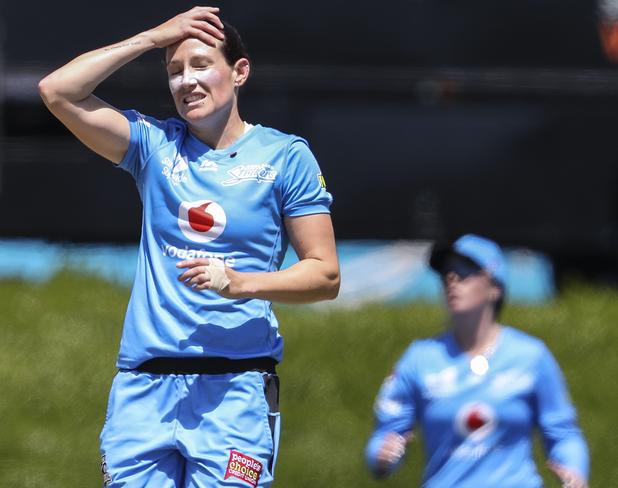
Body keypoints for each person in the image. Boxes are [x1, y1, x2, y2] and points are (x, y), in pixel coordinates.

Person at [38, 6, 339, 487]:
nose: (186, 82)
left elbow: (325, 275)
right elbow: (57, 91)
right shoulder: (154, 145)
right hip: (143, 387)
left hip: (234, 389)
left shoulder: (285, 156)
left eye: (201, 65)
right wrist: (152, 38)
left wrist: (241, 283)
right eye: (174, 71)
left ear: (239, 72)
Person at [365, 234, 589, 488]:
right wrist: (383, 456)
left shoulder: (530, 355)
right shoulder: (419, 358)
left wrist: (574, 471)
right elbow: (385, 433)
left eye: (464, 271)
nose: (452, 279)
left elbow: (563, 433)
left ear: (495, 287)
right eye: (446, 273)